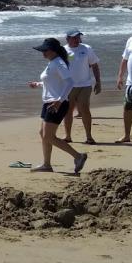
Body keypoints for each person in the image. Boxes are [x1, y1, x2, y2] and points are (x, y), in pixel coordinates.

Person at [27, 37, 88, 174]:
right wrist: (38, 84)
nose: (43, 52)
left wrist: (60, 100)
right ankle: (46, 164)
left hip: (57, 104)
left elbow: (70, 82)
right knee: (43, 134)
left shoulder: (58, 63)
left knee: (49, 136)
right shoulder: (52, 62)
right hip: (49, 102)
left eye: (45, 50)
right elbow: (53, 82)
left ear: (53, 51)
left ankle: (78, 156)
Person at [61, 29, 101, 144]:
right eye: (74, 37)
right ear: (67, 38)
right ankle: (68, 136)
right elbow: (58, 69)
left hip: (85, 85)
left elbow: (94, 65)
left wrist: (98, 82)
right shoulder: (63, 51)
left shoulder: (87, 48)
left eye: (78, 37)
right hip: (68, 86)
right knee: (68, 111)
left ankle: (89, 136)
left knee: (84, 109)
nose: (77, 40)